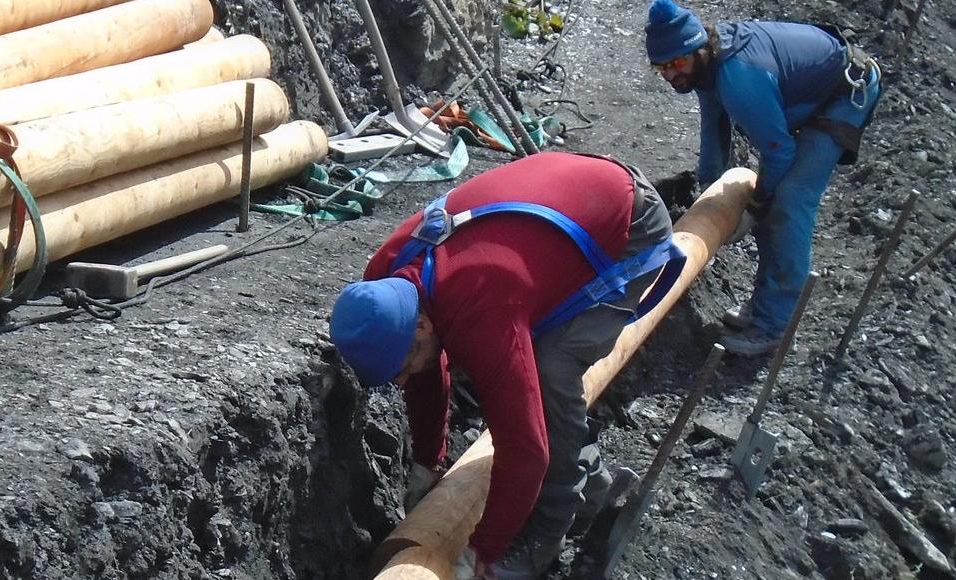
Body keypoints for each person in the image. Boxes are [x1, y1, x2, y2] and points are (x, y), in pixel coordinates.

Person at [328, 152, 679, 578]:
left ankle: (546, 535)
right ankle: (593, 483)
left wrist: (479, 555)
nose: (402, 379)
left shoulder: (481, 310)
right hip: (571, 198)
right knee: (515, 365)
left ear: (419, 325)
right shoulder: (386, 280)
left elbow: (526, 452)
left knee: (551, 366)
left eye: (401, 367)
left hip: (629, 226)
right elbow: (424, 362)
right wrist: (427, 463)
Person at [644, 0, 883, 355]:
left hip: (846, 92)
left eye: (677, 63)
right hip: (811, 89)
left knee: (788, 200)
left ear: (699, 48)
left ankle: (773, 326)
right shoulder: (706, 65)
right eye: (661, 67)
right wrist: (710, 194)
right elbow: (713, 128)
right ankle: (763, 304)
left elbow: (780, 153)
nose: (671, 74)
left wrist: (754, 206)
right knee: (773, 195)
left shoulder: (739, 78)